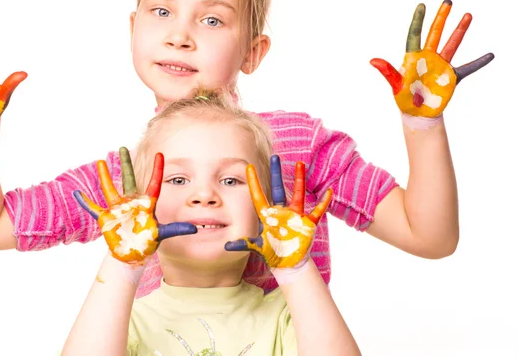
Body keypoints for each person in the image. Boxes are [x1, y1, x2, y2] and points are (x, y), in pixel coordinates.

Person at [0, 0, 494, 297]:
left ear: (254, 51)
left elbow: (430, 236)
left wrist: (423, 125)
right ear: (132, 28)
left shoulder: (296, 147)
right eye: (161, 11)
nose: (180, 36)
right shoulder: (125, 176)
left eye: (213, 19)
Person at [61, 90, 360, 355]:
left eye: (231, 179)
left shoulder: (291, 316)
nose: (204, 195)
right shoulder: (121, 320)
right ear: (143, 207)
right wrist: (122, 265)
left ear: (263, 210)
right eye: (178, 179)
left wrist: (297, 270)